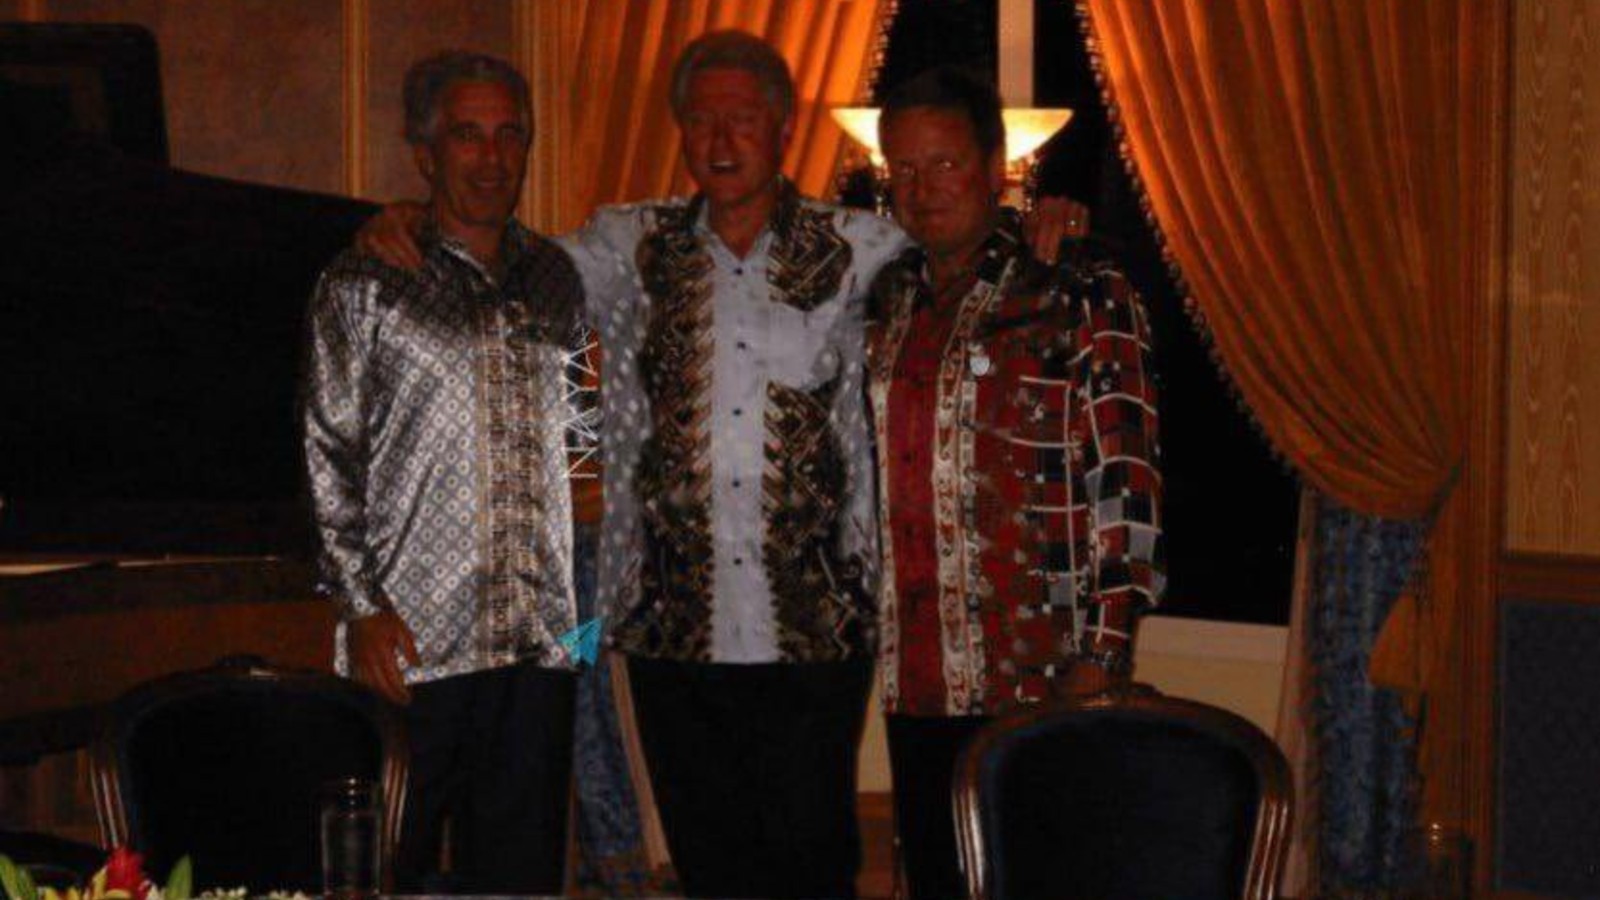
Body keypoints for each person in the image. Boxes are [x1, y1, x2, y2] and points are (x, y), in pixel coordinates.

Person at [865, 66, 1165, 900]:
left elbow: (1128, 481)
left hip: (1044, 676)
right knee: (939, 880)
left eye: (945, 163)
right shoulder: (886, 299)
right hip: (918, 677)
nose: (922, 189)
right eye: (904, 168)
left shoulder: (1075, 285)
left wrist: (1102, 653)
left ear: (996, 165)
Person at [301, 50, 587, 894]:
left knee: (521, 875)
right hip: (412, 645)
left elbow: (582, 437)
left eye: (510, 135)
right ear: (425, 154)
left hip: (540, 642)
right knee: (388, 866)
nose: (492, 157)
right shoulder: (366, 280)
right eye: (468, 135)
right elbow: (326, 448)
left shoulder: (559, 278)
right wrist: (360, 607)